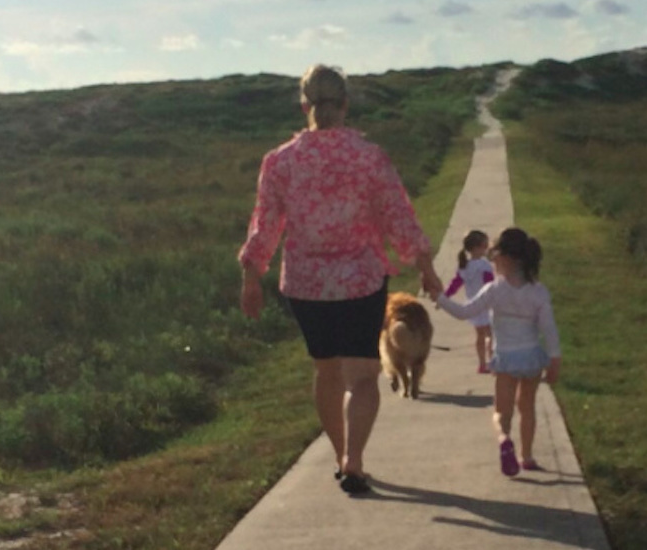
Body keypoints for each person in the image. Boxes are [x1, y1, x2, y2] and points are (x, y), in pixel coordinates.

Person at [238, 64, 443, 495]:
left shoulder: (280, 162)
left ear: (304, 105)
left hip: (307, 287)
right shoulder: (369, 157)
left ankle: (339, 456)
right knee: (364, 377)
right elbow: (398, 215)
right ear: (345, 104)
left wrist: (251, 276)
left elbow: (265, 224)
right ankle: (354, 460)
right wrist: (423, 264)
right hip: (361, 283)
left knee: (326, 371)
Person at [433, 228, 561, 476]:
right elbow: (550, 329)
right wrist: (554, 360)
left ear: (503, 258)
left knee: (502, 412)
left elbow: (464, 312)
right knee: (528, 408)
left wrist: (439, 297)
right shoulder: (538, 292)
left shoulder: (495, 290)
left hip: (505, 359)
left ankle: (504, 440)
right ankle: (527, 456)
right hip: (532, 358)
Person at [443, 230, 495, 374]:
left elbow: (455, 284)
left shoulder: (464, 266)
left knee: (479, 336)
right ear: (478, 247)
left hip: (472, 306)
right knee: (490, 335)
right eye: (485, 245)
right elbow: (490, 284)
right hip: (486, 304)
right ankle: (493, 361)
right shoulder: (485, 265)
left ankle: (482, 364)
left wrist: (445, 296)